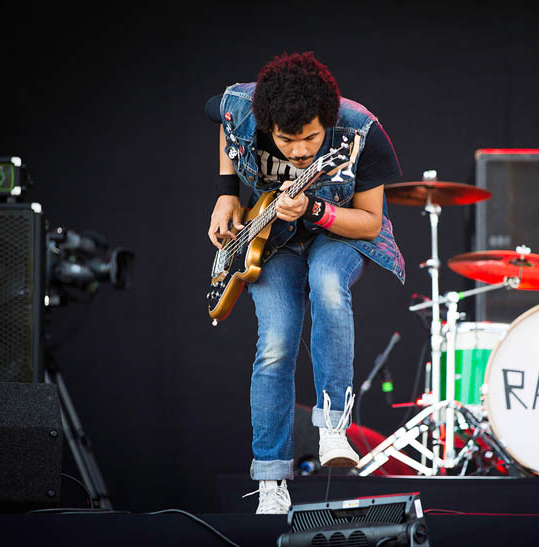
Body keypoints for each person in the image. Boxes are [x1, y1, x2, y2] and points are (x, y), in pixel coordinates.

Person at [205, 52, 404, 514]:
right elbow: (224, 120)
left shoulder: (360, 130)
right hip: (272, 240)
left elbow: (371, 223)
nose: (299, 151)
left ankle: (333, 425)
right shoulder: (242, 108)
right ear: (267, 123)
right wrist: (225, 193)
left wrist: (316, 211)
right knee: (275, 344)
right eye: (286, 139)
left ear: (328, 122)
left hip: (339, 233)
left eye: (311, 137)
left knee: (329, 284)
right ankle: (272, 482)